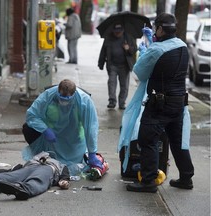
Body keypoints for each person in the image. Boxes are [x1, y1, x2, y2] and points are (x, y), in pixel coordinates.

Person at [120, 13, 194, 193]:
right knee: (177, 141)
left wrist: (143, 53)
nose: (154, 31)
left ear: (160, 29)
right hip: (178, 103)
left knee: (148, 139)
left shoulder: (156, 50)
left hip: (159, 103)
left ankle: (148, 181)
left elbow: (140, 73)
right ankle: (186, 178)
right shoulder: (183, 46)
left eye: (156, 28)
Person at [22, 79, 103, 175]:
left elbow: (91, 128)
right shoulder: (48, 95)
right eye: (61, 97)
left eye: (67, 99)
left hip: (74, 138)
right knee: (27, 128)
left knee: (73, 162)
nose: (63, 102)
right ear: (57, 91)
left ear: (74, 94)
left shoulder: (84, 101)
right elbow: (32, 115)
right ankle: (44, 157)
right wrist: (44, 129)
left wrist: (92, 152)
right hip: (53, 137)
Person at [0, 151, 70, 200]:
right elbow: (6, 172)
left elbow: (65, 175)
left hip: (47, 170)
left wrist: (64, 181)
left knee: (36, 180)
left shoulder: (59, 165)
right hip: (27, 169)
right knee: (3, 177)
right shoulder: (30, 162)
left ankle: (21, 189)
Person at [98, 23, 137, 109]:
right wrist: (101, 63)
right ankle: (112, 101)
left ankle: (122, 102)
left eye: (119, 32)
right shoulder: (108, 38)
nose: (117, 33)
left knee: (124, 86)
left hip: (124, 66)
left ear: (123, 31)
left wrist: (128, 48)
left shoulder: (128, 37)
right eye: (115, 32)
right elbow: (103, 51)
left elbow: (134, 50)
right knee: (111, 83)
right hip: (112, 65)